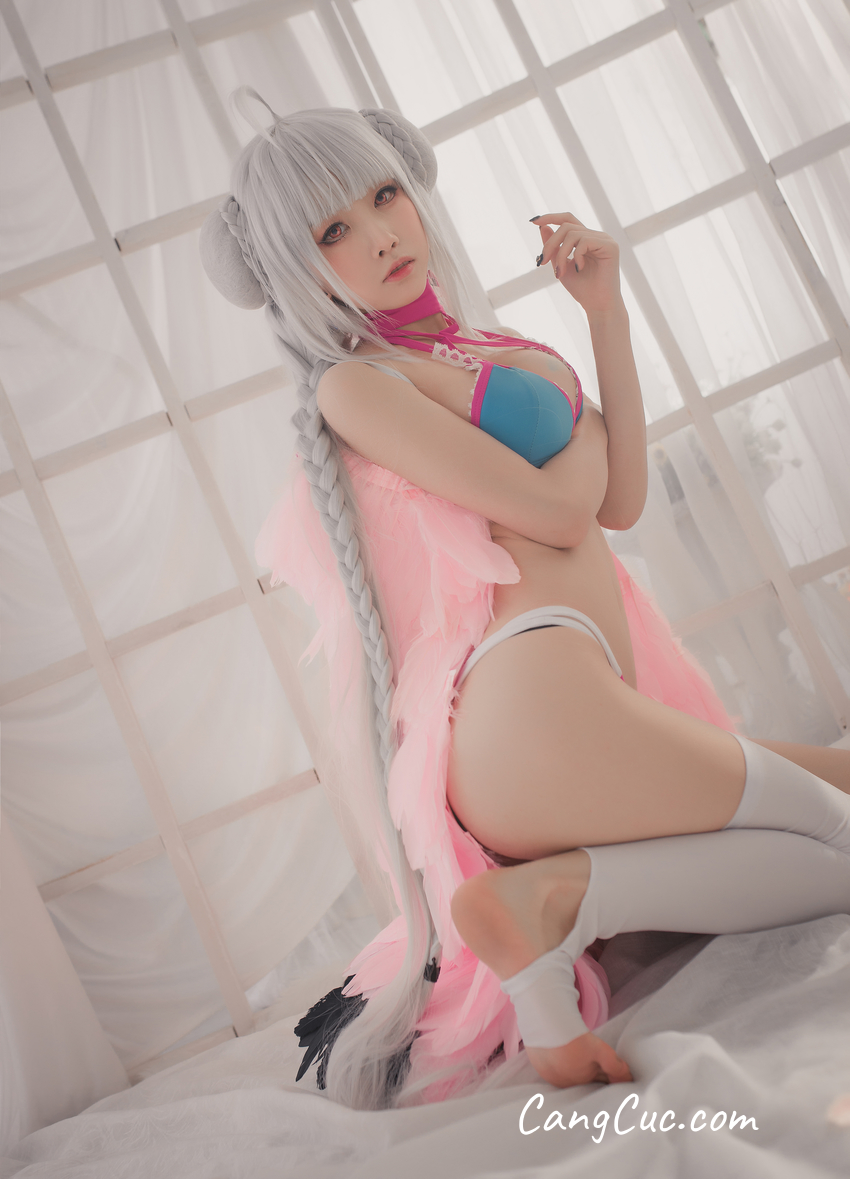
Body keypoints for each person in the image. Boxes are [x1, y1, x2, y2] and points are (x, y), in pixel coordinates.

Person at [200, 90, 850, 1111]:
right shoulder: (355, 385)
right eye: (333, 231)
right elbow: (558, 510)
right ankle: (556, 905)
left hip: (568, 697)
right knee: (836, 830)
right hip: (527, 706)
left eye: (384, 195)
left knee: (838, 789)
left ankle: (551, 897)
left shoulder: (475, 344)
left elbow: (619, 501)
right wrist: (580, 429)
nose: (380, 235)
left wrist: (604, 313)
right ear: (294, 270)